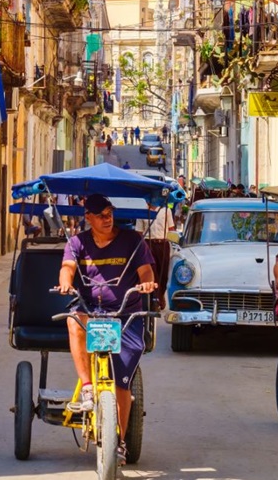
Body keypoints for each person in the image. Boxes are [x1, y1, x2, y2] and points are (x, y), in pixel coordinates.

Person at [56, 194, 158, 466]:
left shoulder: (132, 240)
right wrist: (66, 282)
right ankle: (88, 387)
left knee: (123, 381)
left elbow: (146, 272)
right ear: (87, 217)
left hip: (125, 314)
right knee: (72, 319)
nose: (107, 218)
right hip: (91, 311)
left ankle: (120, 442)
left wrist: (147, 284)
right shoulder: (77, 242)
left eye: (109, 212)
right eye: (100, 214)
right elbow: (66, 268)